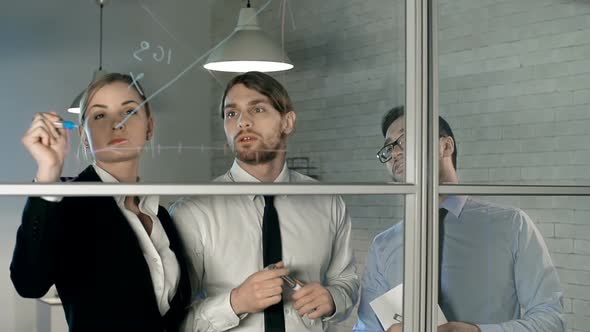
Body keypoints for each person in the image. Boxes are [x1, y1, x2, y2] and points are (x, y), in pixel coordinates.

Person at [170, 71, 359, 332]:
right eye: (231, 113)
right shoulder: (192, 212)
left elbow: (346, 280)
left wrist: (333, 299)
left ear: (288, 122)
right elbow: (172, 320)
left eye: (257, 109)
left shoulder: (326, 200)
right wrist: (235, 303)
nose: (242, 122)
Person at [354, 106, 566, 332]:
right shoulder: (383, 245)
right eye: (389, 147)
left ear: (446, 146)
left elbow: (552, 320)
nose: (395, 153)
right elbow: (365, 327)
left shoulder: (512, 225)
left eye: (405, 139)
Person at [10, 73, 190, 332]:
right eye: (100, 115)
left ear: (150, 127)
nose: (117, 123)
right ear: (83, 135)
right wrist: (48, 173)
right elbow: (28, 283)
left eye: (129, 111)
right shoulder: (67, 205)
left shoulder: (161, 215)